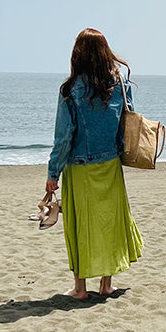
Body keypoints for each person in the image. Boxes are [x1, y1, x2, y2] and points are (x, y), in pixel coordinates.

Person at [46, 28, 144, 300]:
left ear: (78, 54)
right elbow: (127, 123)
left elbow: (64, 136)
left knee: (80, 225)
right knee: (108, 223)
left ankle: (80, 289)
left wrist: (52, 172)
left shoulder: (70, 89)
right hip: (110, 165)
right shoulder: (120, 85)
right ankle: (106, 285)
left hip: (78, 167)